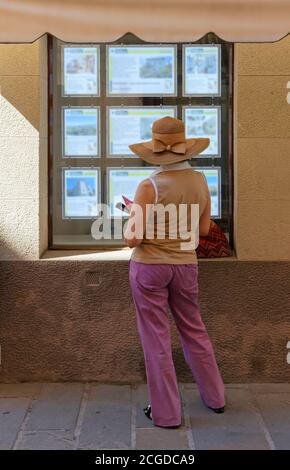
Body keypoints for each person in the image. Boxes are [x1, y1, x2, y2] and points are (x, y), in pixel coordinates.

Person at [124, 116, 225, 429]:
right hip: (185, 265)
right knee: (194, 329)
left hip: (150, 268)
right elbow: (205, 229)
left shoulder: (148, 186)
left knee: (156, 339)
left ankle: (166, 414)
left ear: (155, 152)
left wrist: (131, 214)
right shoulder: (199, 181)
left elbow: (133, 238)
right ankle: (216, 398)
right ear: (185, 149)